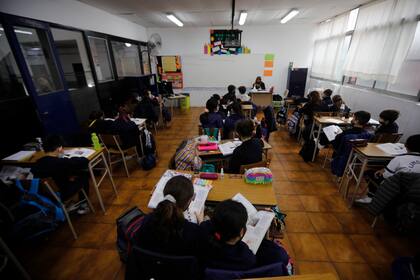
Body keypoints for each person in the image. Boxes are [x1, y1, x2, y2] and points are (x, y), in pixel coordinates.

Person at [201, 199, 291, 273]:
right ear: (241, 233)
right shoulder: (246, 256)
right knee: (281, 255)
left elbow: (206, 225)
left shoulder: (203, 233)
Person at [132, 175, 207, 258]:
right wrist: (201, 222)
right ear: (188, 202)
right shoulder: (192, 231)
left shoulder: (147, 220)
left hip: (150, 267)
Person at [31, 135, 90, 215]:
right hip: (61, 194)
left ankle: (68, 204)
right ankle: (83, 205)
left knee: (70, 175)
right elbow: (84, 160)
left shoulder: (37, 163)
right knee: (84, 175)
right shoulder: (60, 162)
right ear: (59, 148)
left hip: (45, 194)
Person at [356, 134, 420, 204]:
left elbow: (386, 175)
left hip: (395, 189)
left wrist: (384, 170)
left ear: (406, 146)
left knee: (371, 173)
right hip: (415, 191)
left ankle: (371, 196)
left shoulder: (399, 159)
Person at [331, 111, 373, 177]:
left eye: (353, 118)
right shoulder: (368, 134)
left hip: (344, 155)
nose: (352, 119)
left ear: (357, 121)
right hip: (358, 156)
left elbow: (336, 146)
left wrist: (337, 137)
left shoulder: (347, 134)